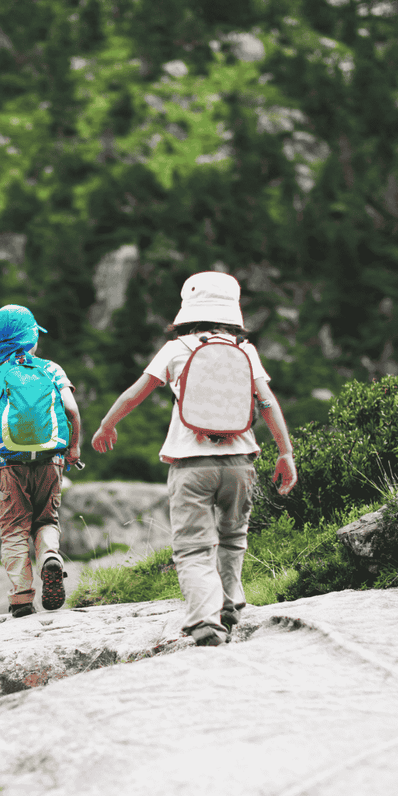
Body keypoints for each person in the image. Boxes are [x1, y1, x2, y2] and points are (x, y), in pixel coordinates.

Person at [90, 271, 298, 646]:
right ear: (232, 313)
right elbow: (266, 402)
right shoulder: (245, 350)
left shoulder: (176, 349)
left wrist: (106, 425)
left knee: (193, 547)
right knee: (233, 537)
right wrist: (285, 452)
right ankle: (231, 601)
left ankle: (205, 620)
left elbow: (135, 394)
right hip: (240, 463)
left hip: (191, 463)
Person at [0, 304, 83, 618]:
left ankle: (21, 598)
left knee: (14, 530)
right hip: (51, 461)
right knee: (46, 520)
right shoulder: (53, 369)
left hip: (9, 466)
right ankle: (50, 558)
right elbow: (72, 411)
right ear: (32, 337)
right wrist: (73, 449)